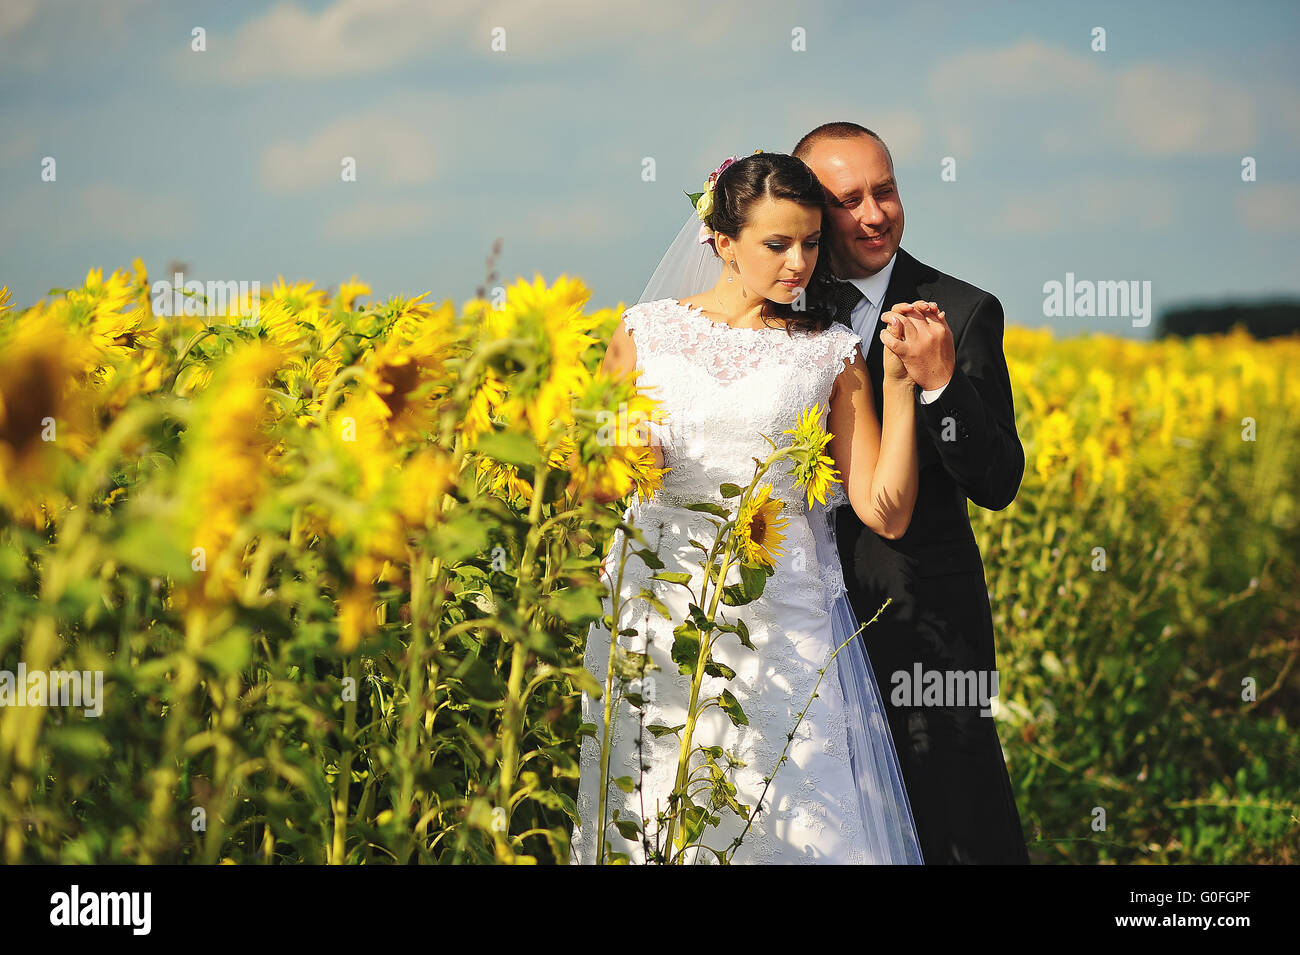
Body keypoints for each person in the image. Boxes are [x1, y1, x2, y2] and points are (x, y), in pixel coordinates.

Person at [569, 151, 927, 864]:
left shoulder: (830, 351)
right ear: (721, 241)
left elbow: (885, 510)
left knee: (802, 817)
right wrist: (621, 458)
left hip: (782, 617)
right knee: (650, 803)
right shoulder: (644, 333)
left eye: (811, 242)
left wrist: (901, 384)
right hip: (655, 608)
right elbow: (588, 486)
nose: (799, 262)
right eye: (777, 243)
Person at [794, 122, 1031, 864]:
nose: (875, 214)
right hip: (802, 619)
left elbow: (997, 480)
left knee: (959, 825)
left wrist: (940, 386)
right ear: (811, 211)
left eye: (886, 190)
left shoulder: (959, 310)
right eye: (849, 199)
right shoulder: (783, 310)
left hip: (924, 620)